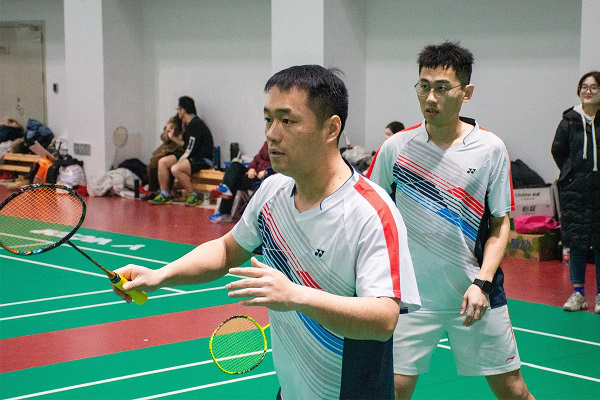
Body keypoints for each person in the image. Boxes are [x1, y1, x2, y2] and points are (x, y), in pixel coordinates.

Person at [113, 65, 420, 399]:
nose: (272, 134)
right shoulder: (273, 191)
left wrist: (296, 296)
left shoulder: (371, 212)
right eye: (268, 119)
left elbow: (383, 319)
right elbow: (226, 251)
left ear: (331, 128)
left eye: (287, 121)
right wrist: (160, 276)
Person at [367, 41, 534, 399]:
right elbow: (371, 215)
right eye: (424, 86)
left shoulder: (490, 149)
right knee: (393, 390)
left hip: (474, 293)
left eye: (442, 88)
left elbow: (500, 224)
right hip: (410, 298)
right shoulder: (396, 148)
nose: (430, 97)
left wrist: (482, 283)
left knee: (513, 390)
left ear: (466, 92)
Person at [551, 71, 600, 314]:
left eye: (594, 87)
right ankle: (578, 293)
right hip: (575, 192)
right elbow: (557, 150)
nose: (588, 91)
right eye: (584, 87)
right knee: (577, 243)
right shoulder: (569, 122)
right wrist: (570, 174)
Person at [149, 96, 214, 206]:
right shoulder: (187, 124)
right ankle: (165, 194)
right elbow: (186, 145)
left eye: (178, 109)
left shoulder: (196, 124)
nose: (178, 112)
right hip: (192, 155)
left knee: (176, 168)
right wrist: (172, 137)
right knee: (162, 162)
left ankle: (193, 195)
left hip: (202, 158)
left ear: (183, 110)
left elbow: (191, 149)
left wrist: (180, 161)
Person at [209, 141, 271, 223]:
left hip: (265, 179)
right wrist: (252, 168)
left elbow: (281, 165)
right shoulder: (267, 143)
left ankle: (224, 213)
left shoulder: (282, 147)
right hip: (254, 174)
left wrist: (267, 171)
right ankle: (226, 190)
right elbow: (257, 159)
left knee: (232, 181)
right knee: (235, 165)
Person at [142, 116, 185, 201]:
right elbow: (163, 137)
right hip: (166, 150)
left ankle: (165, 191)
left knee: (164, 164)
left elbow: (184, 142)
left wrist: (174, 137)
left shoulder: (186, 126)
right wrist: (168, 131)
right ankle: (153, 191)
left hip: (178, 151)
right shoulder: (173, 121)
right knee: (152, 166)